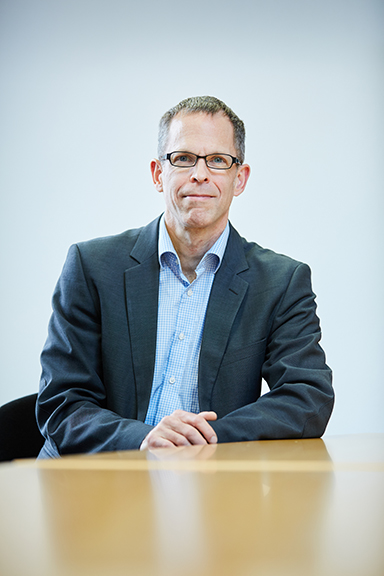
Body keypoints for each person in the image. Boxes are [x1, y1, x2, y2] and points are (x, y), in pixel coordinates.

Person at [37, 96, 334, 458]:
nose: (200, 174)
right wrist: (142, 439)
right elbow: (62, 402)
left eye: (218, 161)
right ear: (158, 173)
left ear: (239, 179)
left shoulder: (280, 282)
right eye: (183, 158)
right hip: (99, 472)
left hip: (209, 481)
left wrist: (205, 437)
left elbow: (308, 397)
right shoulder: (91, 266)